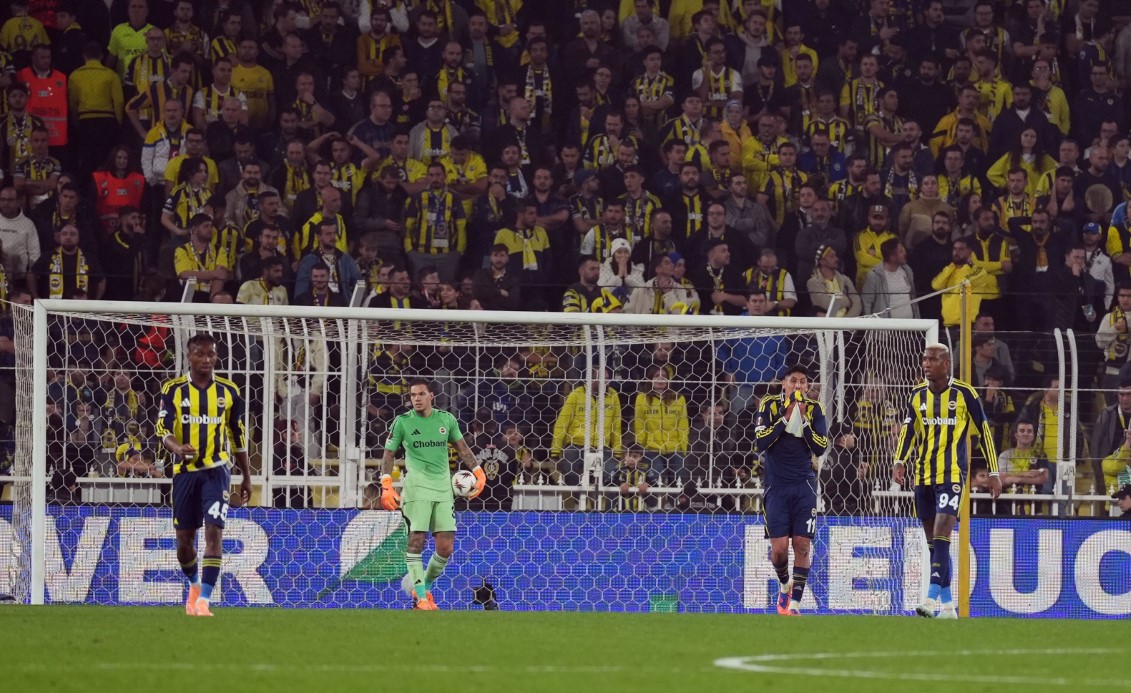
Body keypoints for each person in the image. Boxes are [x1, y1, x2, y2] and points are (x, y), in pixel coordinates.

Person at [893, 343, 1001, 619]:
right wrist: (899, 460)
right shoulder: (917, 394)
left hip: (952, 474)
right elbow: (908, 430)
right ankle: (950, 606)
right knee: (935, 542)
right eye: (924, 359)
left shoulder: (965, 393)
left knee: (942, 530)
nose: (926, 364)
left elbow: (984, 431)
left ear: (946, 363)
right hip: (923, 475)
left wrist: (993, 471)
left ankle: (930, 600)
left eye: (932, 359)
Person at [156, 333, 252, 617]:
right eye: (200, 354)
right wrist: (177, 447)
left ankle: (204, 602)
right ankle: (195, 585)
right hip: (185, 473)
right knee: (184, 543)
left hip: (217, 470)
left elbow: (237, 434)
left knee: (214, 532)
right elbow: (162, 429)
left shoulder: (229, 391)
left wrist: (246, 475)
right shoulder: (173, 389)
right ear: (189, 356)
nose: (206, 359)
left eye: (211, 354)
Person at [377, 377, 485, 610]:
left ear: (431, 396)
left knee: (445, 548)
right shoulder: (402, 422)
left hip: (444, 490)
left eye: (421, 394)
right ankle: (422, 600)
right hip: (417, 489)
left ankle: (422, 588)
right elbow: (388, 455)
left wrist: (478, 472)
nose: (416, 399)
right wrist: (386, 484)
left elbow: (463, 449)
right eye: (413, 395)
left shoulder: (446, 420)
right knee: (416, 541)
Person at [754, 364, 828, 616]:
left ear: (807, 386)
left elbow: (820, 447)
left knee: (802, 544)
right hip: (776, 486)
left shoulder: (815, 409)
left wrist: (804, 421)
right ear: (783, 384)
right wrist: (786, 417)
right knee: (779, 551)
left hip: (803, 485)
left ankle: (795, 604)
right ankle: (784, 584)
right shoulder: (769, 404)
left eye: (803, 381)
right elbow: (761, 442)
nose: (798, 385)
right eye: (793, 380)